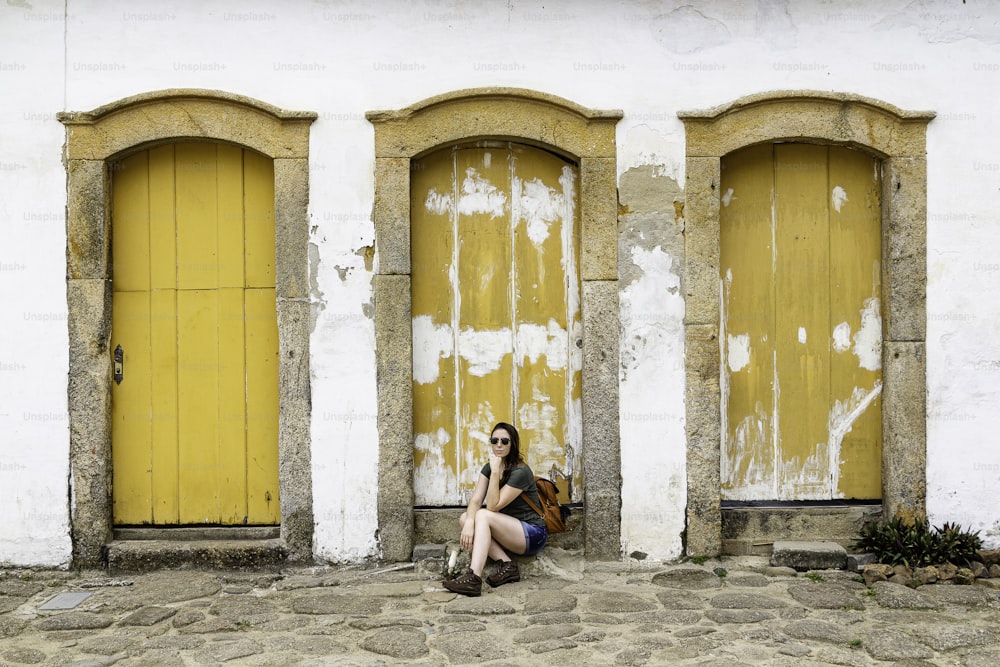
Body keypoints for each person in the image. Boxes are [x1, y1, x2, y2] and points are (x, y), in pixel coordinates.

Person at [443, 422, 547, 596]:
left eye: (504, 441)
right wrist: (468, 523)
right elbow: (476, 501)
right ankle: (508, 565)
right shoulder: (489, 467)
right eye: (495, 440)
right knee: (465, 518)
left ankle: (474, 578)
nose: (499, 445)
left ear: (512, 443)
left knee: (483, 515)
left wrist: (495, 472)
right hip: (511, 530)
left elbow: (492, 505)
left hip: (533, 533)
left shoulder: (521, 472)